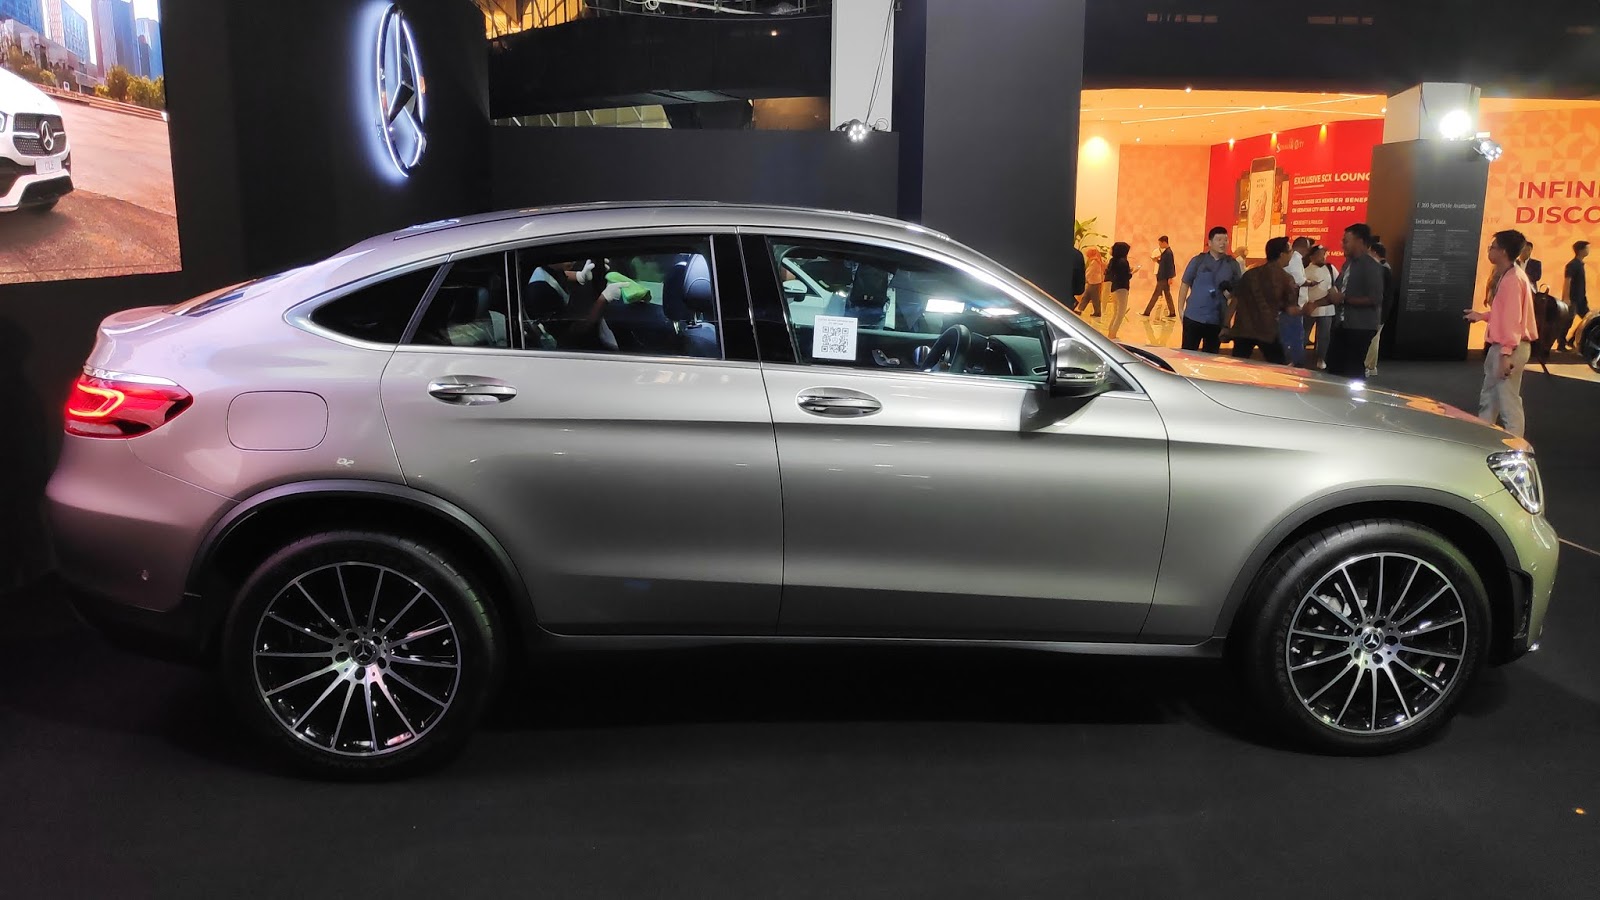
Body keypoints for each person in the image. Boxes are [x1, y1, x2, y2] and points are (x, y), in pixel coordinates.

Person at [1465, 230, 1538, 436]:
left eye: (1493, 247)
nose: (1490, 251)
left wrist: (1506, 353)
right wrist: (1482, 316)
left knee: (1508, 402)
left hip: (1509, 348)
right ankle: (1484, 437)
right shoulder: (1511, 275)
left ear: (1503, 251)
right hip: (1505, 347)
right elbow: (1505, 314)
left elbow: (1513, 321)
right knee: (1491, 398)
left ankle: (1515, 445)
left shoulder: (1512, 279)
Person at [1305, 224, 1385, 379]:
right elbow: (1337, 292)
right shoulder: (1348, 264)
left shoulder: (1371, 266)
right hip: (1343, 325)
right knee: (1335, 367)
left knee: (1352, 369)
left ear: (1359, 241)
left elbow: (1375, 298)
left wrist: (1344, 299)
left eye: (1346, 241)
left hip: (1360, 327)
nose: (1342, 245)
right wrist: (1315, 304)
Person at [1228, 236, 1298, 364]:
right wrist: (1310, 308)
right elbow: (1291, 309)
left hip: (1243, 330)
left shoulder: (1250, 274)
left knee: (1237, 366)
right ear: (1282, 255)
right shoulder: (1286, 278)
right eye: (1290, 252)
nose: (1291, 255)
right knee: (1279, 368)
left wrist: (1225, 324)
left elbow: (1235, 300)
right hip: (1267, 331)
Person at [1178, 226, 1242, 354]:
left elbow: (1236, 293)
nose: (1223, 243)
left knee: (1211, 355)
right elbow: (1185, 283)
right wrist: (1180, 308)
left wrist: (1229, 294)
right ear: (1210, 242)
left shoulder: (1232, 264)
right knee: (1187, 354)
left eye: (1225, 240)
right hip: (1194, 316)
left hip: (1216, 319)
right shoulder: (1198, 261)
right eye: (1219, 240)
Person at [1364, 241, 1396, 378]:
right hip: (1381, 311)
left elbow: (1380, 294)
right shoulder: (1385, 268)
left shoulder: (1381, 270)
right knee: (1375, 339)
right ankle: (1371, 366)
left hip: (1378, 311)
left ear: (1374, 253)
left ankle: (1367, 365)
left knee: (1371, 339)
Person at [1303, 244, 1335, 369]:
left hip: (1327, 308)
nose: (1323, 257)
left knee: (1324, 336)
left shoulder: (1330, 268)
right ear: (1312, 257)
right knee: (1305, 333)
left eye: (1324, 254)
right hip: (1311, 307)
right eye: (1320, 254)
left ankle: (1321, 358)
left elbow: (1336, 283)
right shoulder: (1306, 271)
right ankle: (1300, 357)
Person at [1280, 237, 1312, 366]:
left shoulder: (1294, 260)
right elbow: (1299, 281)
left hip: (1291, 306)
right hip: (1292, 306)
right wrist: (1311, 283)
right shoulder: (1296, 259)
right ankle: (1294, 364)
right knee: (1294, 338)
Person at [1561, 240, 1589, 352]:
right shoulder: (1572, 265)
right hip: (1573, 298)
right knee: (1568, 321)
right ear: (1580, 250)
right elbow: (1567, 281)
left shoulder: (1580, 264)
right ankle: (1561, 343)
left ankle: (1571, 339)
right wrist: (1566, 298)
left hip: (1581, 299)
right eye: (1586, 248)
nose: (1588, 250)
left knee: (1587, 320)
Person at [1105, 242, 1137, 340]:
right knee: (1120, 313)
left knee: (1116, 312)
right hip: (1122, 288)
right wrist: (1132, 272)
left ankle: (1111, 332)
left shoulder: (1113, 261)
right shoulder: (1123, 262)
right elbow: (1125, 276)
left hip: (1114, 287)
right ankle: (1113, 335)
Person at [1143, 235, 1177, 317]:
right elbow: (1164, 263)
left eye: (1160, 243)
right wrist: (1157, 260)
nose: (1159, 245)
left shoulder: (1168, 253)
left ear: (1164, 242)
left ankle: (1147, 312)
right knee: (1167, 295)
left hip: (1163, 277)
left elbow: (1170, 266)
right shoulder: (1166, 252)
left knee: (1156, 295)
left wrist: (1170, 277)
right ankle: (1172, 312)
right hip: (1163, 277)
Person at [1078, 246, 1106, 318]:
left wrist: (1084, 278)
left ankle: (1097, 312)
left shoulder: (1094, 262)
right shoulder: (1096, 260)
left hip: (1094, 283)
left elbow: (1089, 272)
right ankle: (1080, 309)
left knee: (1094, 298)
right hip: (1093, 282)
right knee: (1086, 296)